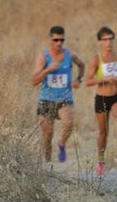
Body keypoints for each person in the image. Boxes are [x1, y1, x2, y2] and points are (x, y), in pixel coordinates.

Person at [30, 25, 85, 170]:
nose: (59, 43)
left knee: (68, 124)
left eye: (61, 40)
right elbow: (34, 81)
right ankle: (48, 163)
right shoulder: (43, 57)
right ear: (50, 40)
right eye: (56, 40)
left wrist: (78, 80)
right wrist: (47, 70)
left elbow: (81, 65)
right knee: (47, 135)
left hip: (64, 98)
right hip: (46, 99)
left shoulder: (70, 55)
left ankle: (62, 144)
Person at [84, 26, 117, 176]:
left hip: (116, 96)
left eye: (110, 39)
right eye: (105, 40)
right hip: (102, 98)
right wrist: (103, 79)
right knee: (103, 132)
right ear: (99, 42)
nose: (108, 42)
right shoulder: (96, 59)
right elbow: (87, 81)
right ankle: (100, 161)